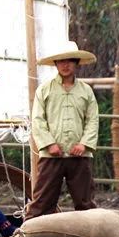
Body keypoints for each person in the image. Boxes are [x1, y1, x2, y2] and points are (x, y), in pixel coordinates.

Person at [26, 41, 99, 220]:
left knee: (85, 202)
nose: (65, 65)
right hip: (52, 155)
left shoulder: (86, 91)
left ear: (76, 63)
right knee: (42, 201)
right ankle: (29, 235)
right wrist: (49, 144)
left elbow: (92, 120)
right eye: (61, 61)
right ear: (56, 64)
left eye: (69, 61)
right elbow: (37, 120)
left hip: (79, 154)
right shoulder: (45, 90)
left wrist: (84, 144)